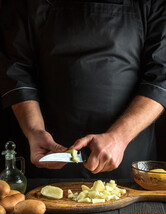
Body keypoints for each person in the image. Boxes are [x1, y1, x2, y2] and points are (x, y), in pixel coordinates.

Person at [0, 0, 166, 179]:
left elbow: (161, 74)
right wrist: (34, 131)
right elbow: (16, 68)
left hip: (126, 160)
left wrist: (119, 137)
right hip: (48, 156)